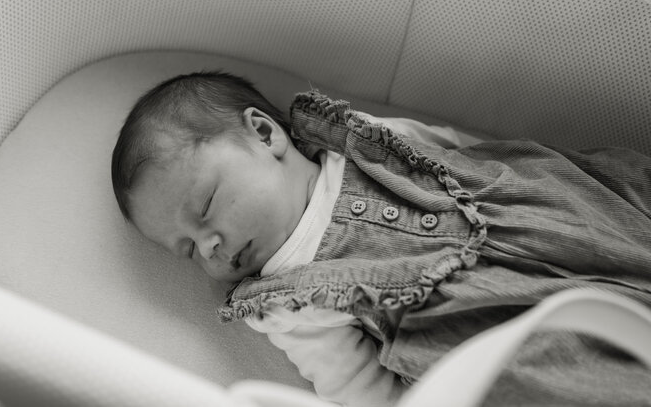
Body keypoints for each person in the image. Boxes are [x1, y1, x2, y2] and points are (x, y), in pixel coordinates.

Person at [111, 71, 651, 407]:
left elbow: (452, 153)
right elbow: (354, 384)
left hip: (532, 217)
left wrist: (505, 180)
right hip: (484, 326)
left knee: (613, 206)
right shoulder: (286, 303)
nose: (208, 247)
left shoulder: (361, 140)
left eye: (205, 207)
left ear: (265, 134)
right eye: (188, 249)